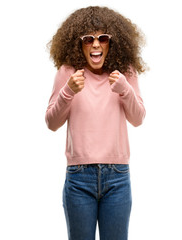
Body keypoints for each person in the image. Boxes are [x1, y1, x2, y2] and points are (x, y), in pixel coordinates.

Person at [46, 6, 146, 240]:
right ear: (78, 44)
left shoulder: (125, 73)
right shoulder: (68, 73)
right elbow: (51, 122)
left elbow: (138, 118)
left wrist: (124, 89)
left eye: (103, 38)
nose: (96, 45)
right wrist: (68, 91)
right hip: (79, 178)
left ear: (113, 42)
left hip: (118, 177)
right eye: (88, 39)